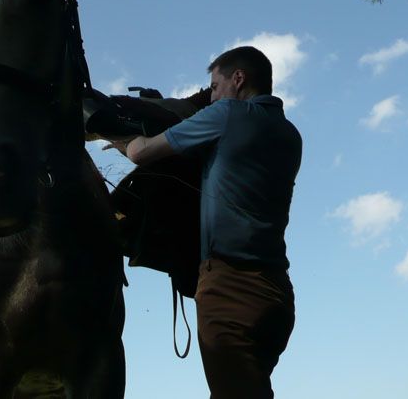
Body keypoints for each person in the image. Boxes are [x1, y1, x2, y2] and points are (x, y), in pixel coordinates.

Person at [105, 46, 302, 398]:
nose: (211, 96)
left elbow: (141, 152)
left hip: (230, 290)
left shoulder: (228, 115)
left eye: (214, 86)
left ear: (238, 79)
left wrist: (117, 137)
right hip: (276, 295)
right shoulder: (290, 134)